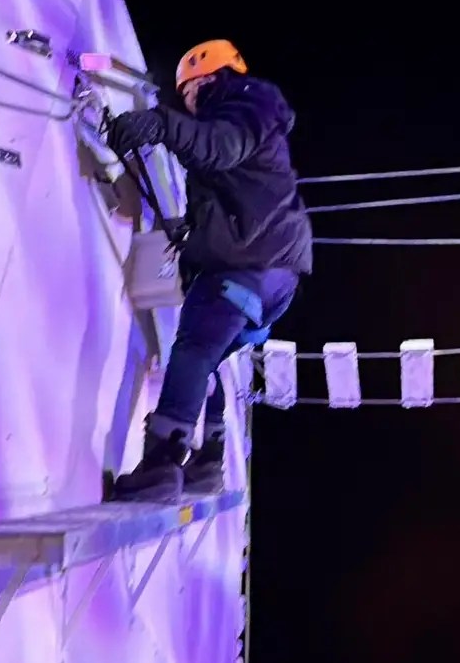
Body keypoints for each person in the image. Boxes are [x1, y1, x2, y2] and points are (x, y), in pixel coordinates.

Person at [103, 39, 313, 502]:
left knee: (195, 348)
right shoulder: (253, 114)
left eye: (191, 90)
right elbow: (233, 187)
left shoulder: (243, 102)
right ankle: (207, 464)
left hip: (247, 266)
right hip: (274, 277)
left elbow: (219, 148)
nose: (190, 101)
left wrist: (158, 122)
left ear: (209, 76)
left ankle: (161, 463)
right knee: (212, 358)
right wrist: (190, 234)